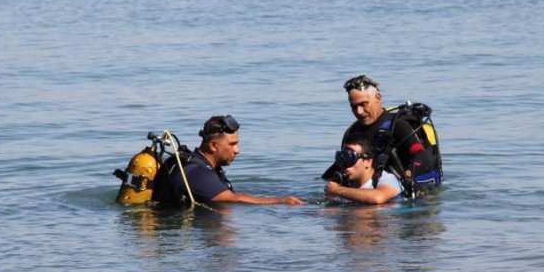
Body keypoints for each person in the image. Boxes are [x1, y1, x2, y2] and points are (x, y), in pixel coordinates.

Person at [327, 74, 442, 194]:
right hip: (368, 191)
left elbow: (422, 156)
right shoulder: (352, 131)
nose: (359, 111)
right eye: (354, 106)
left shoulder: (398, 125)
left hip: (396, 192)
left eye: (363, 104)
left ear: (378, 98)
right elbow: (342, 164)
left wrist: (407, 177)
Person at [164, 115, 304, 206]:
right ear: (213, 145)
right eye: (232, 144)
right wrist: (282, 201)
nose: (237, 150)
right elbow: (233, 199)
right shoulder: (198, 173)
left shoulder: (207, 167)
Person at [324, 135, 403, 205]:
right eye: (342, 157)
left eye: (350, 158)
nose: (345, 164)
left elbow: (378, 198)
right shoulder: (347, 184)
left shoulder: (386, 179)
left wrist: (337, 190)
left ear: (368, 162)